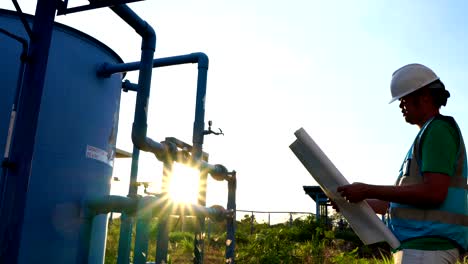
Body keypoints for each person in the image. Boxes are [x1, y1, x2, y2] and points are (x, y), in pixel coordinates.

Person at [335, 63, 468, 264]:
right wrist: (351, 203)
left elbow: (433, 193)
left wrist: (367, 189)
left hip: (427, 249)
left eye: (404, 99)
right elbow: (395, 204)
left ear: (424, 96)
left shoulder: (438, 131)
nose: (401, 105)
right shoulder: (427, 134)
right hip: (421, 249)